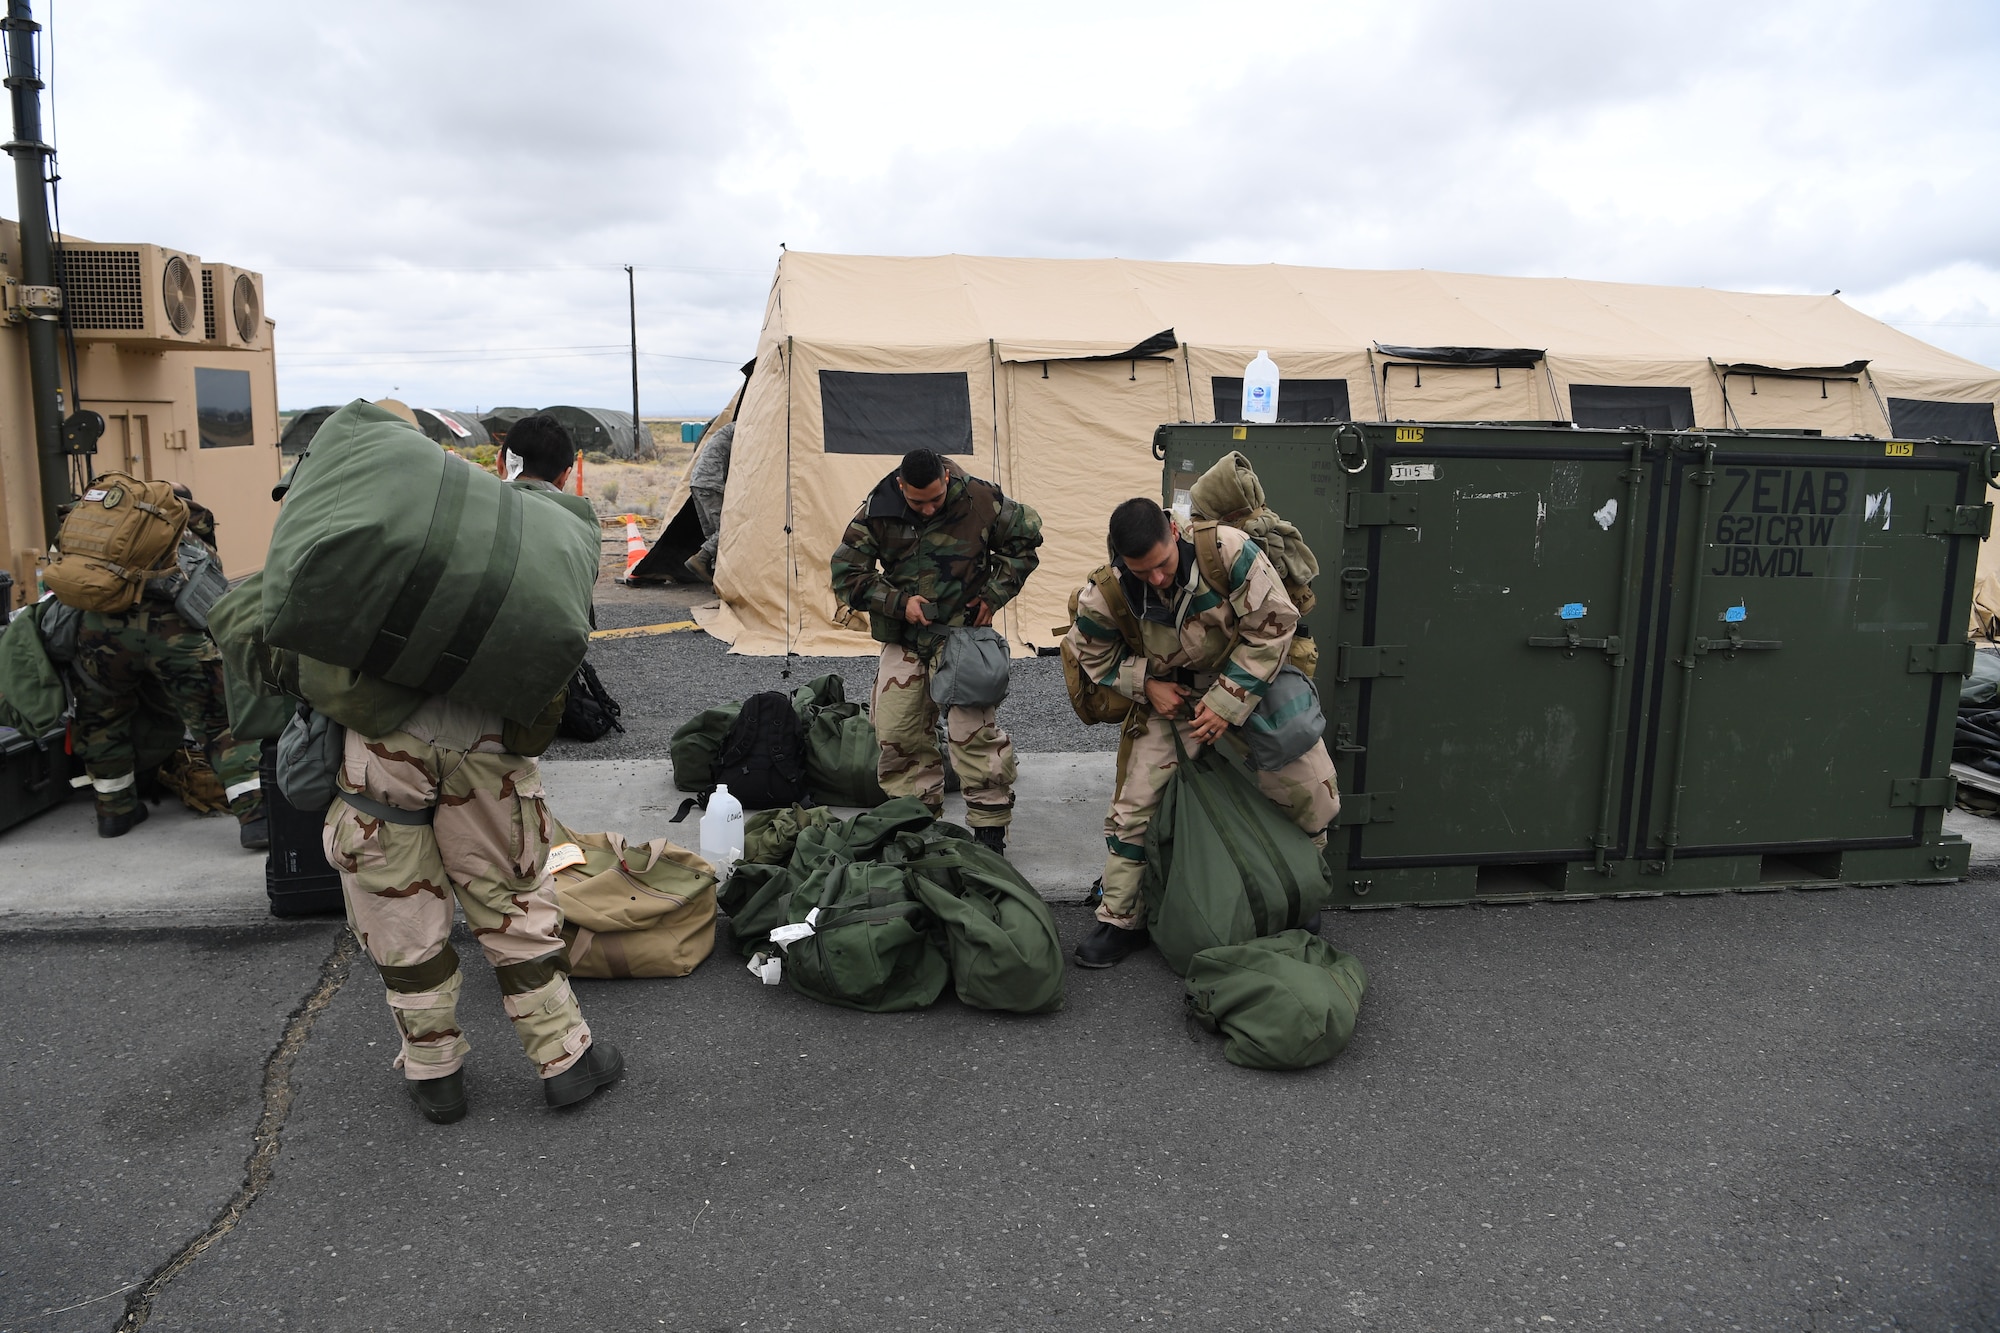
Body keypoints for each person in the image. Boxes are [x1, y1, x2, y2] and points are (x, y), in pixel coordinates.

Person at [322, 410, 622, 1123]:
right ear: (569, 469)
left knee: (400, 909)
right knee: (514, 903)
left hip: (389, 734)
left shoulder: (438, 508)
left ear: (501, 462)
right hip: (490, 748)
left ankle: (435, 1073)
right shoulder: (565, 533)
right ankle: (566, 1060)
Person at [1064, 498, 1341, 968]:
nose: (1155, 579)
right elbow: (1089, 654)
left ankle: (1302, 892)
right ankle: (1120, 919)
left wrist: (1226, 701)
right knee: (1133, 811)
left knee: (1310, 789)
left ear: (1174, 532)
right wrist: (1147, 686)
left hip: (1250, 688)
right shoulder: (1105, 594)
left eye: (1162, 566)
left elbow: (1275, 625)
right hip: (1171, 701)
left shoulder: (1228, 552)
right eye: (1140, 571)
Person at [830, 446, 1042, 854]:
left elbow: (1026, 543)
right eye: (916, 502)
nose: (927, 510)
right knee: (897, 734)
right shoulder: (878, 510)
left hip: (962, 637)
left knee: (973, 734)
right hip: (907, 638)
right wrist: (898, 604)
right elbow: (847, 574)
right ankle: (915, 825)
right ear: (900, 486)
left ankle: (989, 831)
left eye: (935, 500)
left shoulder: (981, 500)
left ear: (946, 479)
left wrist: (995, 595)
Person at [66, 483, 265, 847]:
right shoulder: (187, 521)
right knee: (219, 723)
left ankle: (114, 811)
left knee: (101, 718)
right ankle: (255, 817)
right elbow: (212, 567)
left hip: (100, 631)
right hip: (173, 632)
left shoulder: (102, 526)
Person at [681, 420, 733, 583]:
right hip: (712, 483)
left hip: (698, 482)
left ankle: (717, 579)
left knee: (712, 533)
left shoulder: (725, 430)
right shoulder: (740, 430)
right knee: (726, 531)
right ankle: (701, 559)